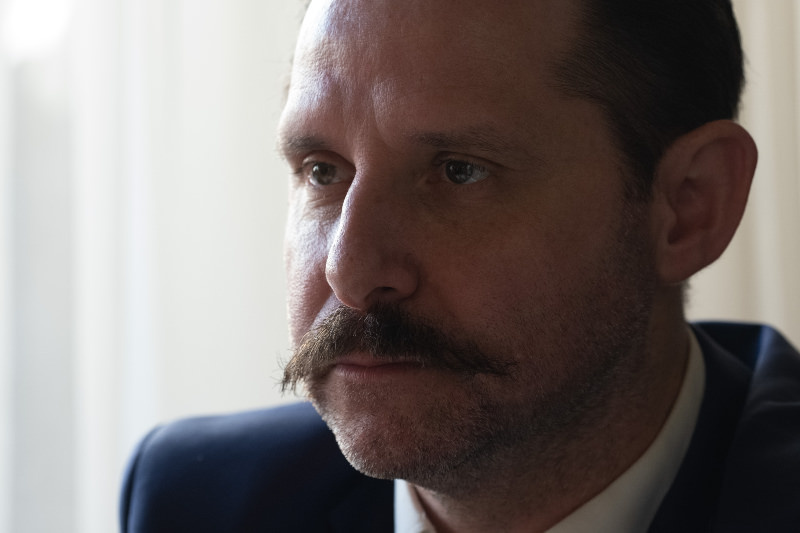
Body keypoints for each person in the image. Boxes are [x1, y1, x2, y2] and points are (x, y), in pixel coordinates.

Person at [119, 0, 800, 531]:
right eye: (323, 171)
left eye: (458, 171)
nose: (349, 272)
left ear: (689, 207)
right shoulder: (200, 503)